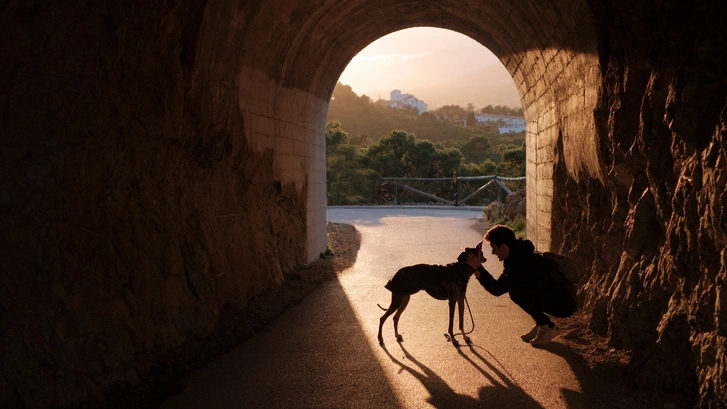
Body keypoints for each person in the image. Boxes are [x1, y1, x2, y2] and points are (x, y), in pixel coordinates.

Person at [466, 224, 577, 346]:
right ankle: (541, 323)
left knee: (516, 291)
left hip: (564, 304)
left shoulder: (520, 264)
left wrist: (479, 269)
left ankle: (547, 326)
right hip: (561, 297)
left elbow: (496, 289)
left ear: (503, 247)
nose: (493, 252)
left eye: (493, 247)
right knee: (518, 289)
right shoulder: (518, 256)